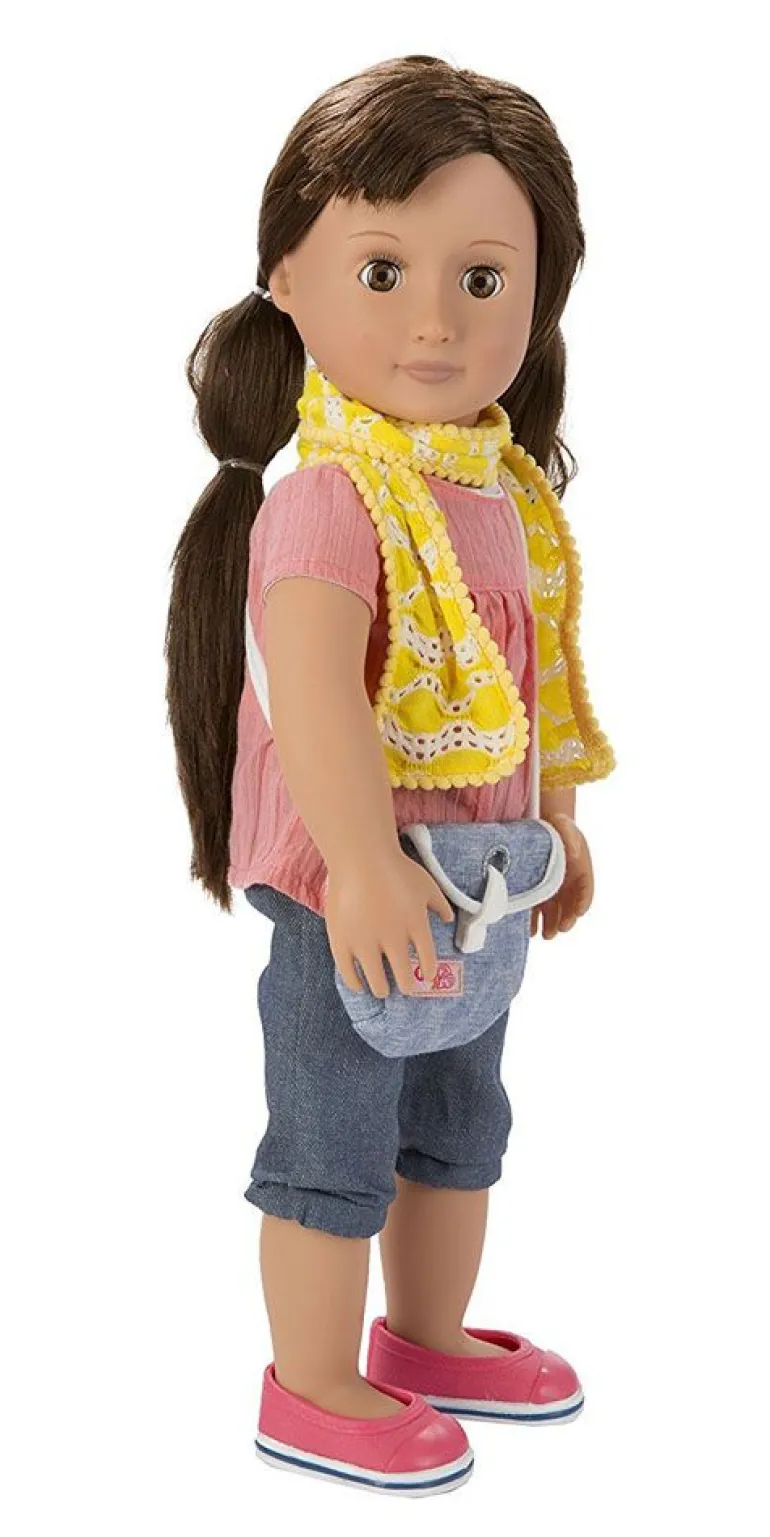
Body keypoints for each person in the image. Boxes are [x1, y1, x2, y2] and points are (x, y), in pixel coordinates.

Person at [165, 54, 616, 1496]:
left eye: (482, 279)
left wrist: (555, 820)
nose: (434, 320)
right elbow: (311, 699)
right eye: (381, 271)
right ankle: (309, 1383)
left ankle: (422, 1340)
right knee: (334, 1135)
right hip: (345, 895)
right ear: (287, 280)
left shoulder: (502, 498)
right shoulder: (326, 497)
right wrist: (359, 865)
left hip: (476, 888)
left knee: (458, 1122)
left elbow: (531, 685)